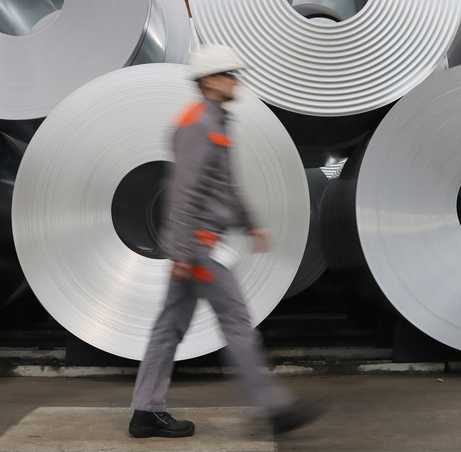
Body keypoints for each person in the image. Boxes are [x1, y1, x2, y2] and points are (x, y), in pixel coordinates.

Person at [129, 43, 322, 438]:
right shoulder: (199, 123)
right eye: (231, 74)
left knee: (169, 327)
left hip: (197, 246)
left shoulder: (216, 121)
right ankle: (275, 409)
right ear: (211, 80)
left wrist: (251, 224)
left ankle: (145, 410)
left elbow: (224, 186)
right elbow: (184, 192)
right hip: (200, 247)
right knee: (237, 324)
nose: (237, 81)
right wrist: (183, 252)